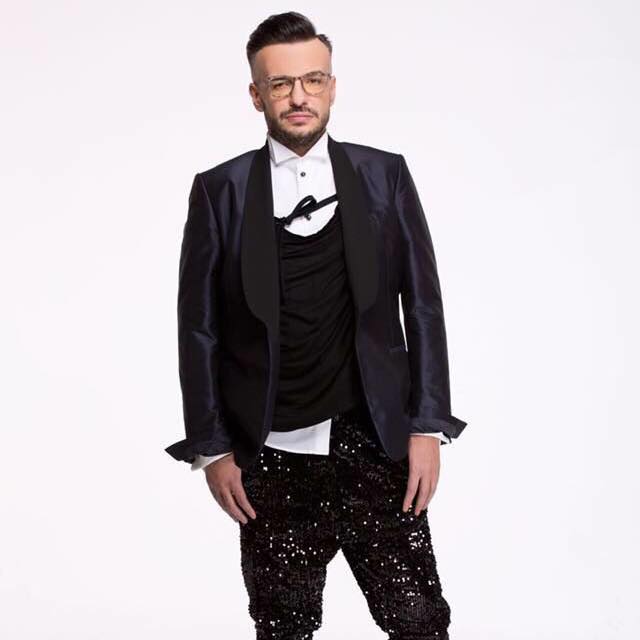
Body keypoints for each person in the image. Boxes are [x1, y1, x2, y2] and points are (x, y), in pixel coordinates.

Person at [165, 11, 467, 639]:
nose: (298, 96)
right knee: (282, 627)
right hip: (271, 455)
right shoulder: (220, 191)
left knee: (419, 622)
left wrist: (427, 427)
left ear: (332, 86)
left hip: (376, 444)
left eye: (313, 80)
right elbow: (198, 330)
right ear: (257, 95)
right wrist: (212, 448)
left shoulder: (384, 175)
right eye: (280, 84)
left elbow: (424, 306)